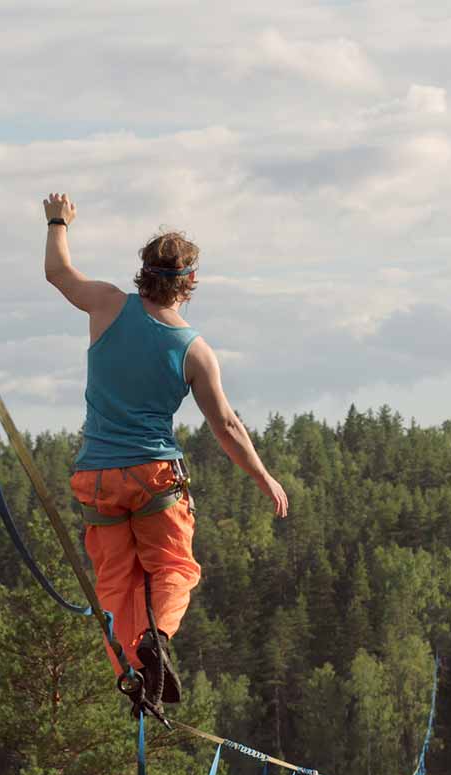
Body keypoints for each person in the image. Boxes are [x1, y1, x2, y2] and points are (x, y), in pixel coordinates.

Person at [42, 192, 289, 715]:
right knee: (172, 569)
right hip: (154, 477)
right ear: (189, 284)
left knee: (115, 582)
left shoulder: (107, 304)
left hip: (98, 478)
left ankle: (133, 675)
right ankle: (158, 639)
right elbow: (224, 424)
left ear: (142, 274)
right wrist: (263, 476)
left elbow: (58, 273)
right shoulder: (194, 350)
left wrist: (58, 221)